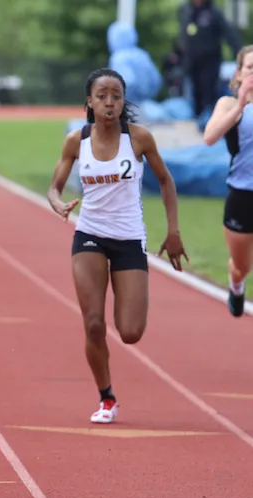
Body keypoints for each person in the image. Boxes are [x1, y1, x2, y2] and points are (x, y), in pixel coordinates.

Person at [46, 68, 187, 424]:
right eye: (102, 95)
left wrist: (173, 232)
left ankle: (111, 383)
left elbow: (166, 182)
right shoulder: (75, 141)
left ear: (123, 102)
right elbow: (54, 186)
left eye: (116, 96)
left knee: (130, 333)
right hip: (90, 235)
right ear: (89, 102)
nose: (110, 102)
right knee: (93, 323)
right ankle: (106, 397)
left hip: (128, 238)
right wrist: (57, 202)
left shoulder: (138, 138)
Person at [203, 45, 253, 317]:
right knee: (242, 265)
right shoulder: (229, 104)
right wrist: (242, 103)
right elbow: (209, 138)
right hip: (243, 196)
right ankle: (236, 284)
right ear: (239, 73)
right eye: (250, 67)